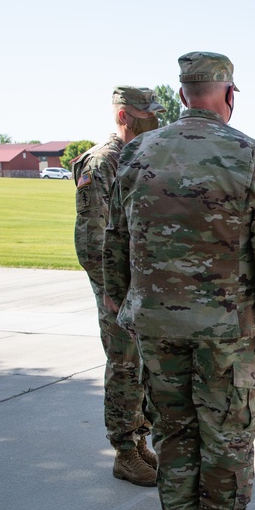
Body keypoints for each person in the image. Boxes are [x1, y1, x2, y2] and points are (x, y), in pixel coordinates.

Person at [102, 51, 255, 510]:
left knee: (174, 435)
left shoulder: (138, 151)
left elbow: (114, 237)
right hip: (224, 328)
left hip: (158, 325)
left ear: (182, 94)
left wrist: (122, 301)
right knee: (226, 437)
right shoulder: (250, 155)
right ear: (229, 94)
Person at [72, 85, 164, 487]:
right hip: (118, 285)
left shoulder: (140, 157)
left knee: (141, 365)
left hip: (142, 282)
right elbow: (91, 240)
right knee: (124, 363)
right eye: (145, 113)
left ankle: (139, 437)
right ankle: (124, 451)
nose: (153, 120)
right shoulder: (102, 162)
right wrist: (114, 291)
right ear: (123, 115)